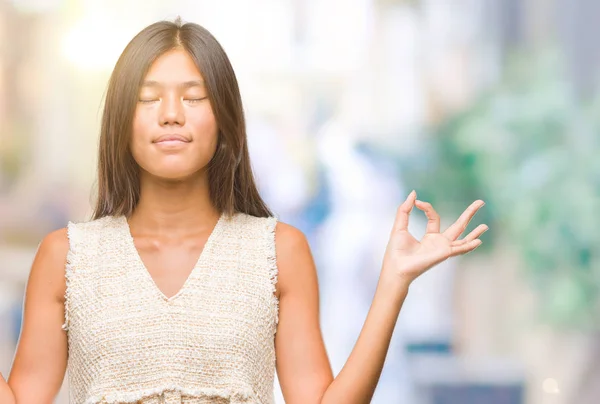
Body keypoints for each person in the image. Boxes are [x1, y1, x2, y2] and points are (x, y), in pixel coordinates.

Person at [0, 18, 487, 404]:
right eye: (149, 99)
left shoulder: (277, 250)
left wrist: (392, 284)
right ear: (120, 123)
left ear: (226, 122)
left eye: (194, 97)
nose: (172, 113)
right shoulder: (67, 256)